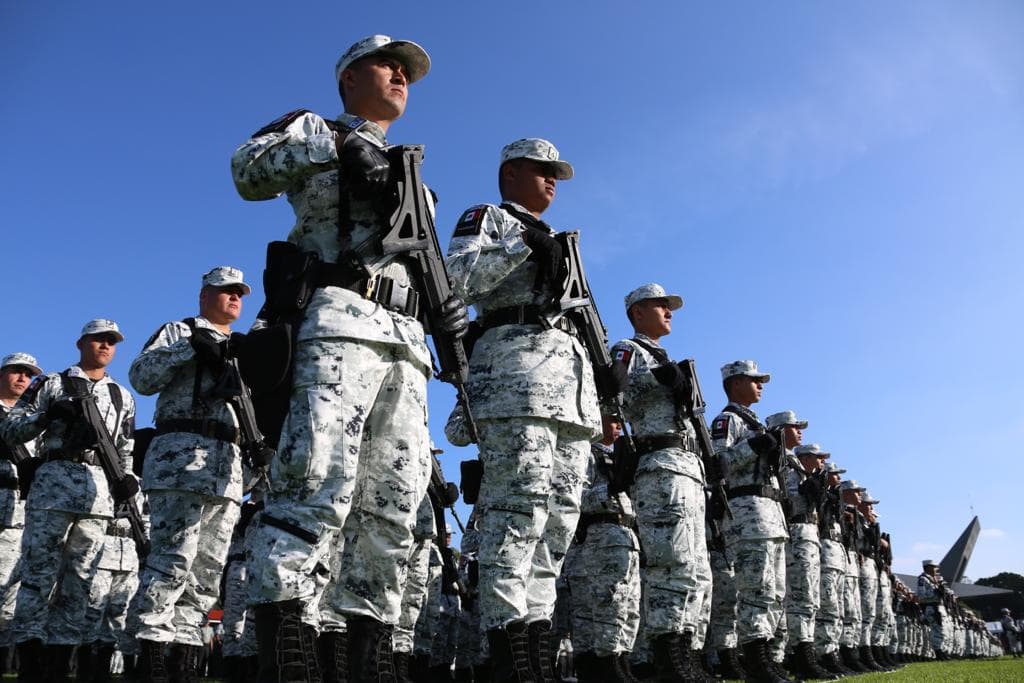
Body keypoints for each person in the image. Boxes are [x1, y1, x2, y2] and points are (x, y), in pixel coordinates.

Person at [232, 34, 468, 682]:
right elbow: (245, 171)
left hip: (407, 349)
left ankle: (368, 658)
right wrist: (337, 142)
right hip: (337, 325)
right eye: (388, 66)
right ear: (348, 80)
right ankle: (291, 656)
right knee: (316, 486)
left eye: (407, 71)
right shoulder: (315, 131)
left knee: (391, 511)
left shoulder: (416, 176)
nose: (400, 76)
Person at [445, 138, 601, 682]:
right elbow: (454, 281)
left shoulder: (559, 238)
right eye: (543, 170)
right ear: (511, 173)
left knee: (556, 526)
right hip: (515, 380)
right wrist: (524, 246)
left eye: (557, 172)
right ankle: (507, 658)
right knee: (516, 519)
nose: (553, 180)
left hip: (569, 394)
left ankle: (536, 653)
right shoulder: (488, 217)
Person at [127, 266, 252, 680]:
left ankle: (183, 656)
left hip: (227, 467)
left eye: (238, 293)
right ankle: (151, 655)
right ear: (204, 296)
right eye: (224, 291)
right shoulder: (179, 331)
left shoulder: (245, 346)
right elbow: (141, 377)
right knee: (171, 560)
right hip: (179, 458)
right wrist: (189, 349)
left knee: (206, 573)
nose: (233, 298)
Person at [0, 320, 136, 680]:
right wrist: (47, 416)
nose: (105, 346)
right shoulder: (52, 384)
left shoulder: (122, 396)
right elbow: (11, 428)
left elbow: (126, 451)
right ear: (81, 343)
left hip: (96, 498)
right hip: (52, 488)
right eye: (98, 339)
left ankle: (61, 662)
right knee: (37, 577)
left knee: (80, 582)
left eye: (112, 341)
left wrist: (127, 484)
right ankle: (29, 660)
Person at [609, 283, 711, 682]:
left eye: (670, 308)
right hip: (659, 463)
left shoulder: (660, 355)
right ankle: (667, 656)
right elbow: (618, 393)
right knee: (672, 563)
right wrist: (660, 379)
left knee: (695, 568)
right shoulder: (629, 349)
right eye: (660, 306)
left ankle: (685, 652)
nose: (669, 312)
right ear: (637, 312)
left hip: (685, 465)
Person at [710, 361, 791, 682]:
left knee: (774, 591)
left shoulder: (756, 423)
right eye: (754, 381)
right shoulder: (727, 420)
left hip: (770, 512)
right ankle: (756, 661)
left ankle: (767, 657)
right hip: (747, 511)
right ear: (735, 383)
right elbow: (717, 464)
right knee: (755, 588)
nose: (761, 386)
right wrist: (753, 446)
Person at [566, 414, 641, 681]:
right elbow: (574, 499)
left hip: (627, 533)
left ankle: (622, 659)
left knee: (630, 605)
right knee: (609, 602)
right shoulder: (586, 454)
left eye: (621, 421)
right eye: (612, 420)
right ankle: (606, 664)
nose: (619, 425)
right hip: (601, 533)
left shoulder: (624, 456)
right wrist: (610, 488)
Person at [0, 353, 43, 668]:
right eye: (17, 371)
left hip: (23, 513)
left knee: (12, 595)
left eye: (28, 374)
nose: (23, 378)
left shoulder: (33, 422)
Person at [780, 442, 833, 680]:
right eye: (818, 457)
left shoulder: (802, 473)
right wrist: (806, 489)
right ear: (806, 458)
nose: (822, 461)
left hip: (809, 534)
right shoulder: (790, 469)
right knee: (800, 597)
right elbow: (788, 501)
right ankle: (800, 655)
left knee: (810, 599)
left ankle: (806, 652)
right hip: (797, 531)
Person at [814, 461, 851, 675]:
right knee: (826, 606)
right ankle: (824, 654)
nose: (838, 478)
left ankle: (834, 653)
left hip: (836, 555)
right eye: (834, 474)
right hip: (823, 551)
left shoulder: (835, 500)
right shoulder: (815, 489)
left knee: (837, 609)